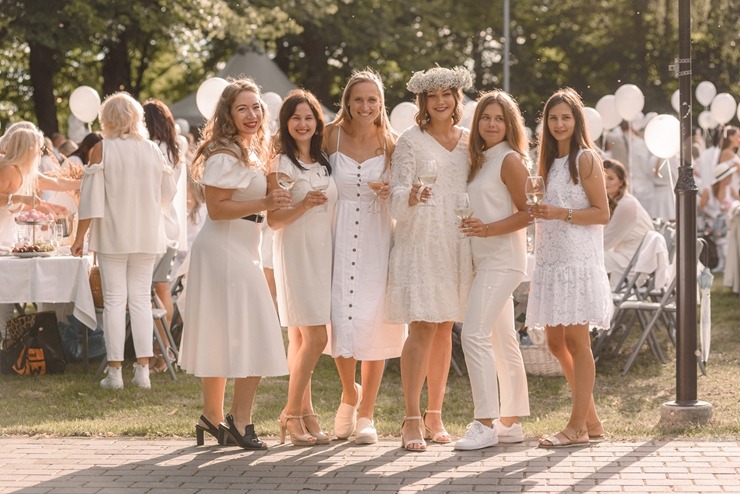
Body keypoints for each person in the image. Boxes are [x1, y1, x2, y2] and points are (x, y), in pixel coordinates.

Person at [178, 78, 290, 449]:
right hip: (223, 249)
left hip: (246, 247)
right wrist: (266, 203)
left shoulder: (253, 151)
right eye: (242, 108)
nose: (252, 114)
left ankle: (212, 418)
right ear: (227, 113)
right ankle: (239, 422)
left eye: (256, 107)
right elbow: (217, 208)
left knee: (227, 331)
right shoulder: (224, 153)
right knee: (255, 327)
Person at [386, 66, 474, 452]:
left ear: (457, 99)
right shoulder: (410, 140)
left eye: (447, 95)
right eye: (433, 96)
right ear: (423, 102)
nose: (441, 101)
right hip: (420, 240)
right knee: (421, 326)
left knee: (444, 329)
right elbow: (393, 196)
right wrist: (411, 195)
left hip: (454, 241)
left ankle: (435, 414)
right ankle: (409, 418)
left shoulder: (470, 141)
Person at [71, 92, 177, 390]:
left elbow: (90, 199)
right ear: (135, 118)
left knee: (116, 301)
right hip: (146, 233)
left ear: (106, 119)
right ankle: (142, 371)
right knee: (141, 299)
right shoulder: (152, 150)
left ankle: (115, 373)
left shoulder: (102, 150)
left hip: (113, 235)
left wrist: (80, 237)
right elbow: (167, 192)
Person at [525, 87, 612, 448]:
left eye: (566, 117)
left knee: (577, 341)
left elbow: (602, 213)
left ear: (577, 121)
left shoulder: (585, 159)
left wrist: (562, 213)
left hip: (576, 261)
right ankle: (592, 422)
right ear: (545, 123)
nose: (559, 124)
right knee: (556, 341)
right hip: (550, 258)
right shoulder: (544, 161)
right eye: (553, 117)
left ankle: (576, 427)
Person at [323, 70, 405, 445]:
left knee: (374, 321)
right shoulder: (330, 135)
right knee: (340, 319)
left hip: (376, 236)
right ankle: (349, 393)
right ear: (348, 101)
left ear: (381, 103)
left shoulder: (392, 143)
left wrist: (393, 190)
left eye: (373, 99)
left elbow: (407, 193)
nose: (366, 106)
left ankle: (367, 413)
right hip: (337, 237)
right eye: (359, 99)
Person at [452, 90, 531, 450]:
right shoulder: (478, 159)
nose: (492, 124)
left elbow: (529, 212)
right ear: (477, 122)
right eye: (486, 117)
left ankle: (484, 422)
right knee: (502, 340)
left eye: (499, 118)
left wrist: (487, 229)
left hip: (503, 260)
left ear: (509, 123)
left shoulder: (510, 160)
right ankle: (511, 423)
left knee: (473, 335)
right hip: (482, 260)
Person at [267, 89, 337, 447]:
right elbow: (275, 219)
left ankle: (307, 413)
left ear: (317, 122)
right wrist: (304, 205)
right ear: (286, 123)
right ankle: (291, 413)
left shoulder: (324, 162)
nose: (303, 123)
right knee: (316, 337)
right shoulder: (281, 164)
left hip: (323, 253)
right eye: (296, 117)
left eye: (308, 117)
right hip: (296, 253)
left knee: (300, 338)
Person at [143, 98, 184, 373]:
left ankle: (157, 351)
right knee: (162, 289)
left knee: (148, 291)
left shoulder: (152, 151)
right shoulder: (176, 150)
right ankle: (163, 349)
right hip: (171, 226)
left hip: (153, 227)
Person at [603, 159, 655, 286]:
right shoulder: (620, 202)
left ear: (621, 182)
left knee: (587, 258)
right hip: (630, 258)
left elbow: (606, 241)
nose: (605, 182)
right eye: (602, 177)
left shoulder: (626, 205)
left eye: (610, 178)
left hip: (634, 265)